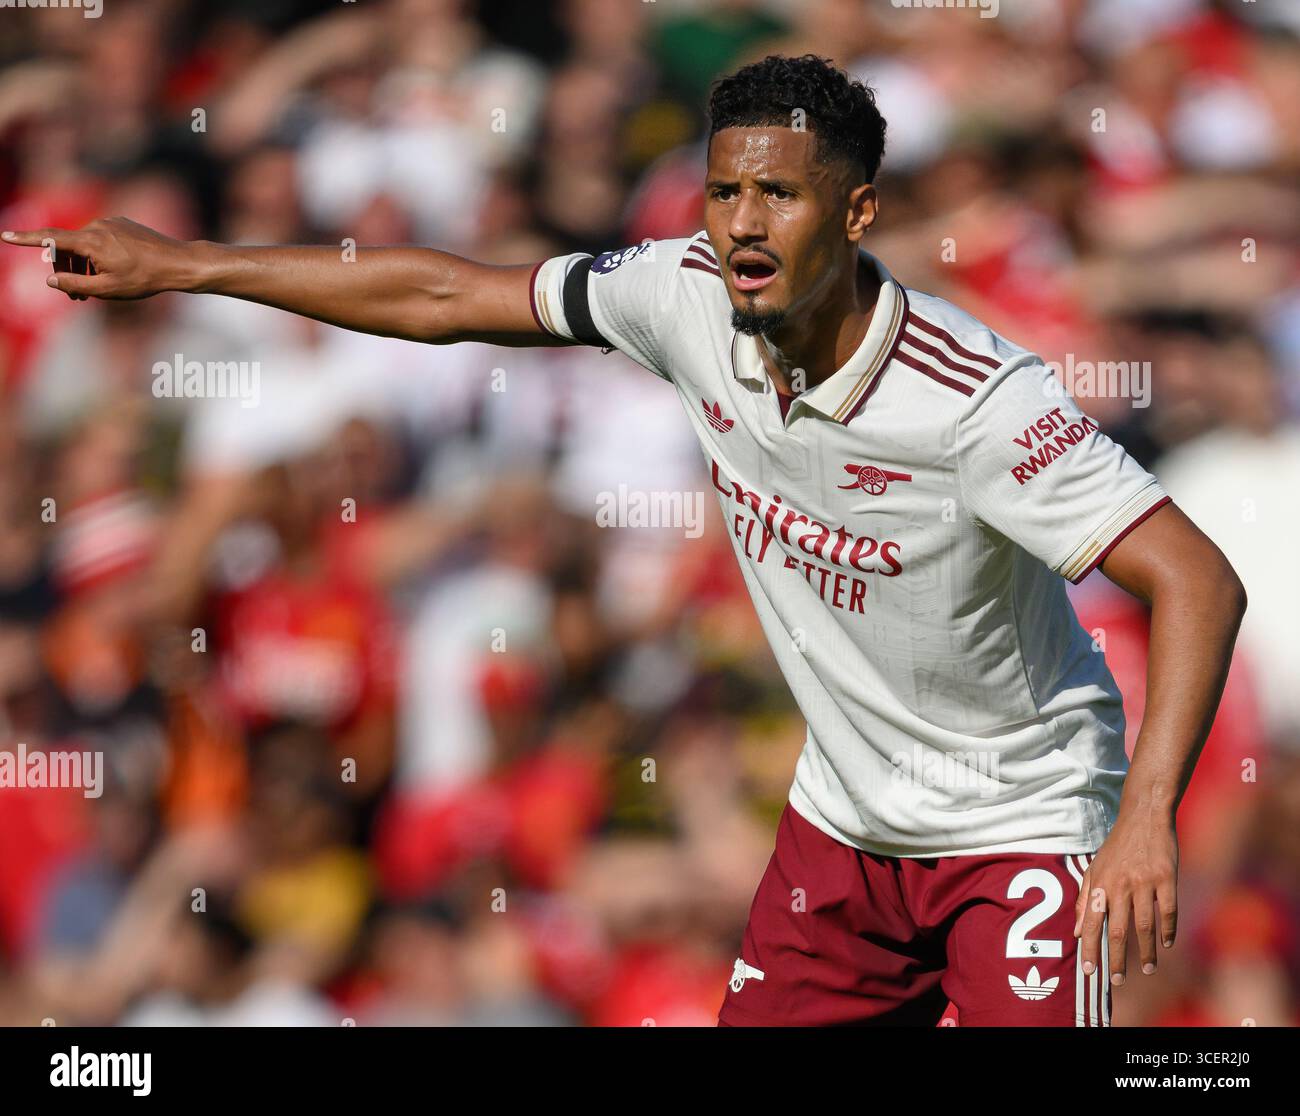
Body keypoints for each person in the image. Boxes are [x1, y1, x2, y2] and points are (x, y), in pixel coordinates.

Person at [2, 54, 1247, 1028]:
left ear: (857, 208)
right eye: (723, 189)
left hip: (1017, 823)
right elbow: (445, 295)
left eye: (780, 192)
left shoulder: (973, 399)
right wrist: (189, 264)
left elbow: (1195, 576)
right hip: (844, 824)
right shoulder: (683, 294)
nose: (743, 223)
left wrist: (1145, 819)